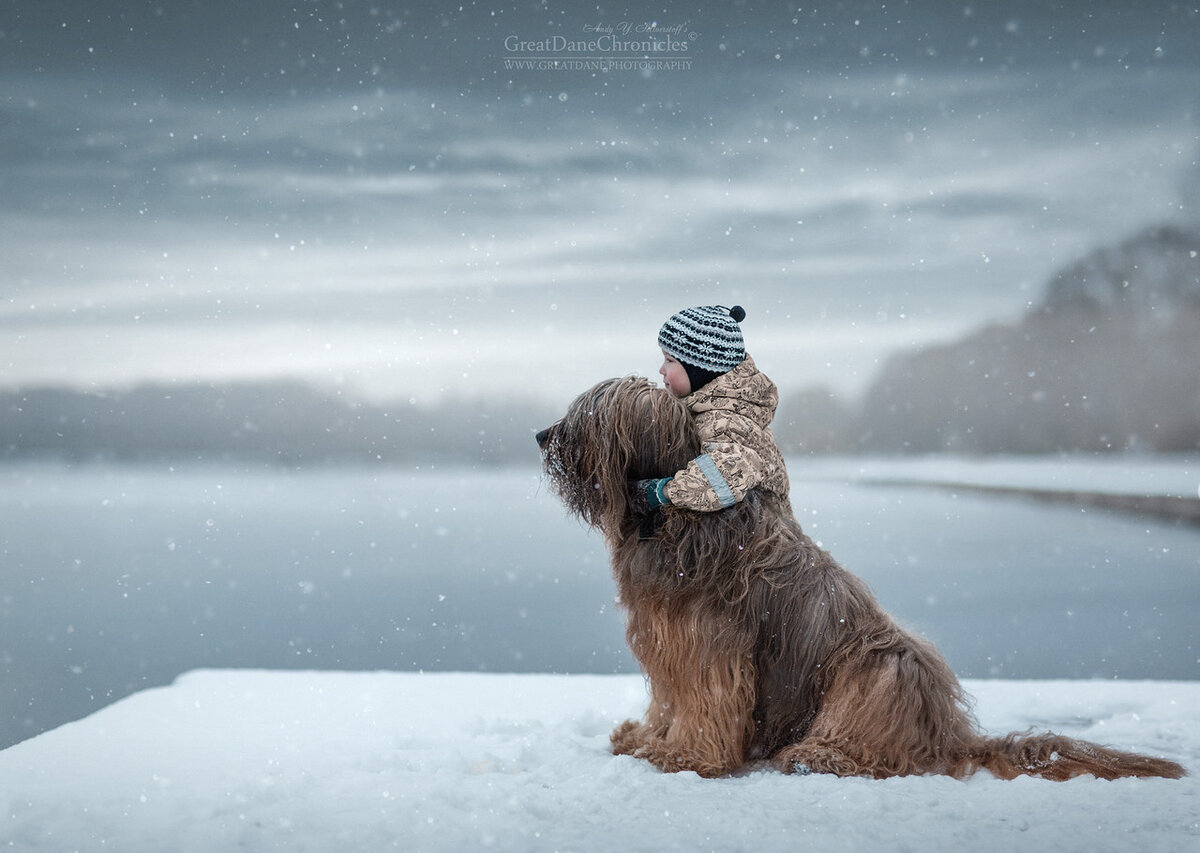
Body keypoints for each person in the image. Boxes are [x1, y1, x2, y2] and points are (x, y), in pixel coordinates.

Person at [633, 304, 792, 529]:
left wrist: (662, 492)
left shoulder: (722, 420)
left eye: (670, 361)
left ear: (700, 371)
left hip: (759, 536)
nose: (661, 369)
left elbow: (725, 478)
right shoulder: (715, 408)